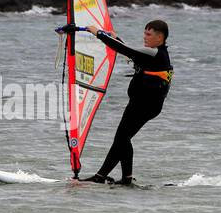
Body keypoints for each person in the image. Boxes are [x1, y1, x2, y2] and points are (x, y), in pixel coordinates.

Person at [65, 19, 173, 185]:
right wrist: (116, 38)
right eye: (144, 33)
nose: (145, 37)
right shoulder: (155, 54)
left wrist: (98, 33)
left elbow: (124, 50)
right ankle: (123, 178)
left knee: (121, 139)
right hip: (144, 104)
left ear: (160, 38)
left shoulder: (155, 53)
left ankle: (102, 176)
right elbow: (132, 53)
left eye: (148, 34)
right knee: (123, 139)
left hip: (143, 105)